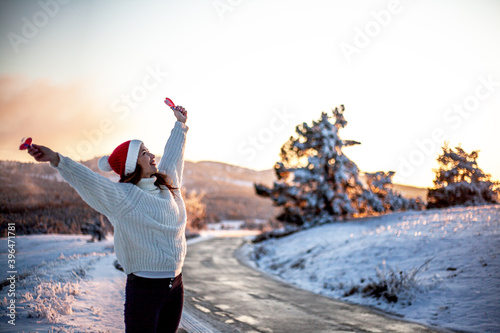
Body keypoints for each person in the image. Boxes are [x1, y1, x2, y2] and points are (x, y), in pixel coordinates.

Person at [26, 104, 189, 333]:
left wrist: (180, 124)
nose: (152, 156)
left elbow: (173, 156)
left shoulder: (168, 186)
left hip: (176, 286)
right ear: (133, 164)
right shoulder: (124, 197)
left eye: (148, 151)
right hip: (144, 289)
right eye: (144, 153)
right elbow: (90, 181)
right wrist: (57, 159)